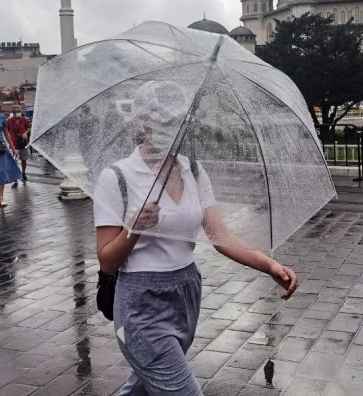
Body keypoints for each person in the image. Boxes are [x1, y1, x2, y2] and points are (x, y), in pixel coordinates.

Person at [94, 81, 298, 395]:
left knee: (144, 388)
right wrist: (134, 228)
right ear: (141, 122)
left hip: (186, 294)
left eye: (175, 121)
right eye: (159, 120)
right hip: (140, 303)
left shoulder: (194, 170)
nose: (168, 128)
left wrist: (270, 265)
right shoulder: (117, 177)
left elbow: (221, 236)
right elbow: (107, 261)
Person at [6, 105, 30, 187]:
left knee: (24, 159)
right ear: (13, 112)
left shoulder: (24, 120)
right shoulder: (9, 121)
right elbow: (6, 131)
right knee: (14, 161)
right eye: (17, 111)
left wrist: (25, 133)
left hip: (23, 143)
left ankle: (23, 173)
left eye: (20, 111)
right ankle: (15, 176)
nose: (19, 113)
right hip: (14, 144)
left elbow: (29, 127)